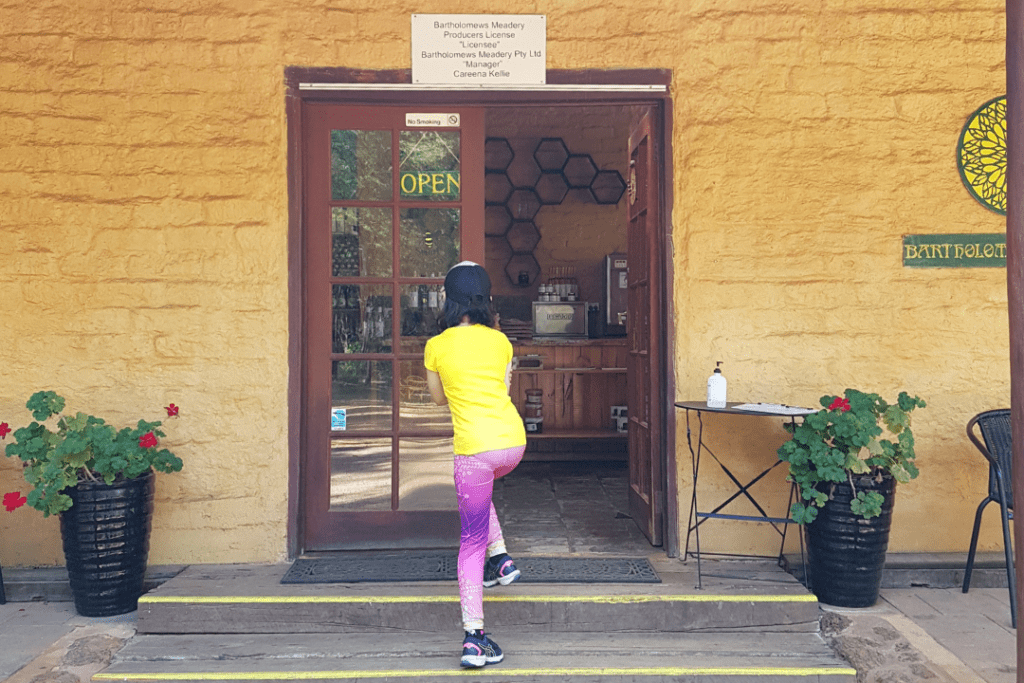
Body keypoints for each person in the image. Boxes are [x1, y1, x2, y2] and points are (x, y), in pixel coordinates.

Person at [424, 261, 527, 668]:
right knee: (480, 495)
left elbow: (437, 399)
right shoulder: (501, 342)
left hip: (474, 450)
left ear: (449, 302)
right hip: (512, 445)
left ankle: (474, 639)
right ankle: (501, 559)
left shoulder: (437, 345)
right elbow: (502, 387)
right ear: (486, 300)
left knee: (470, 544)